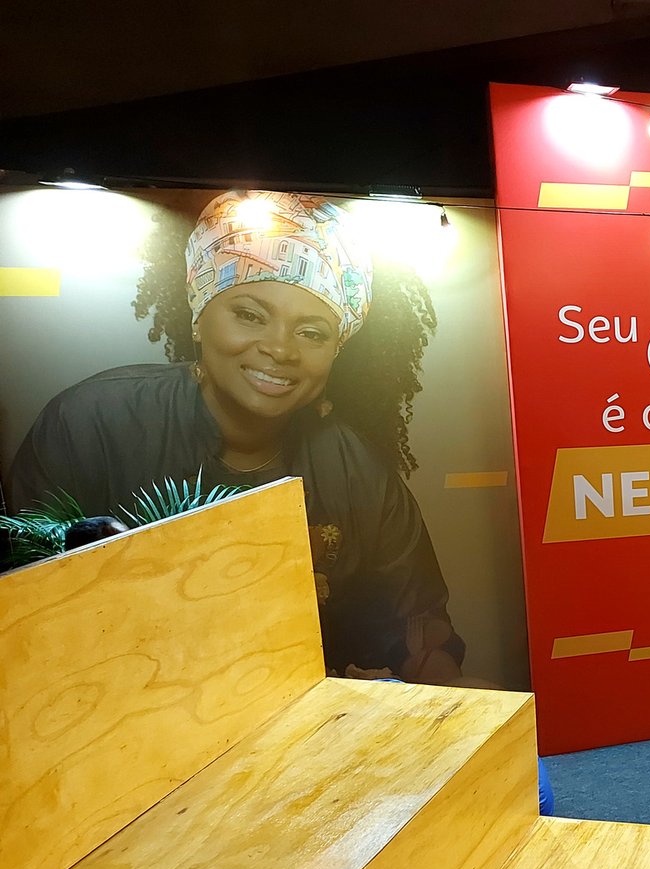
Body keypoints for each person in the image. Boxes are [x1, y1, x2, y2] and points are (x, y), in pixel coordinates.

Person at [5, 190, 465, 684]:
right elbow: (24, 603)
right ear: (199, 317)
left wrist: (455, 693)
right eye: (250, 315)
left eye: (311, 333)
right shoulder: (91, 424)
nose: (280, 349)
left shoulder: (357, 472)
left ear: (337, 350)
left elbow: (416, 625)